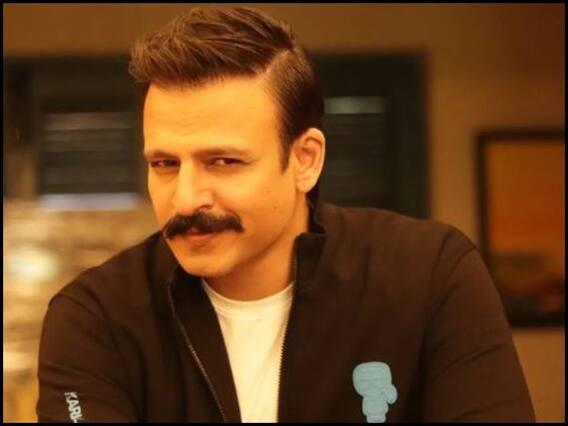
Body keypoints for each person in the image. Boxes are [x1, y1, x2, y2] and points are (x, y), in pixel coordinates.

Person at [37, 7, 535, 423]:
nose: (185, 200)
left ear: (305, 160)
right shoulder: (95, 319)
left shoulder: (429, 277)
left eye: (223, 162)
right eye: (165, 164)